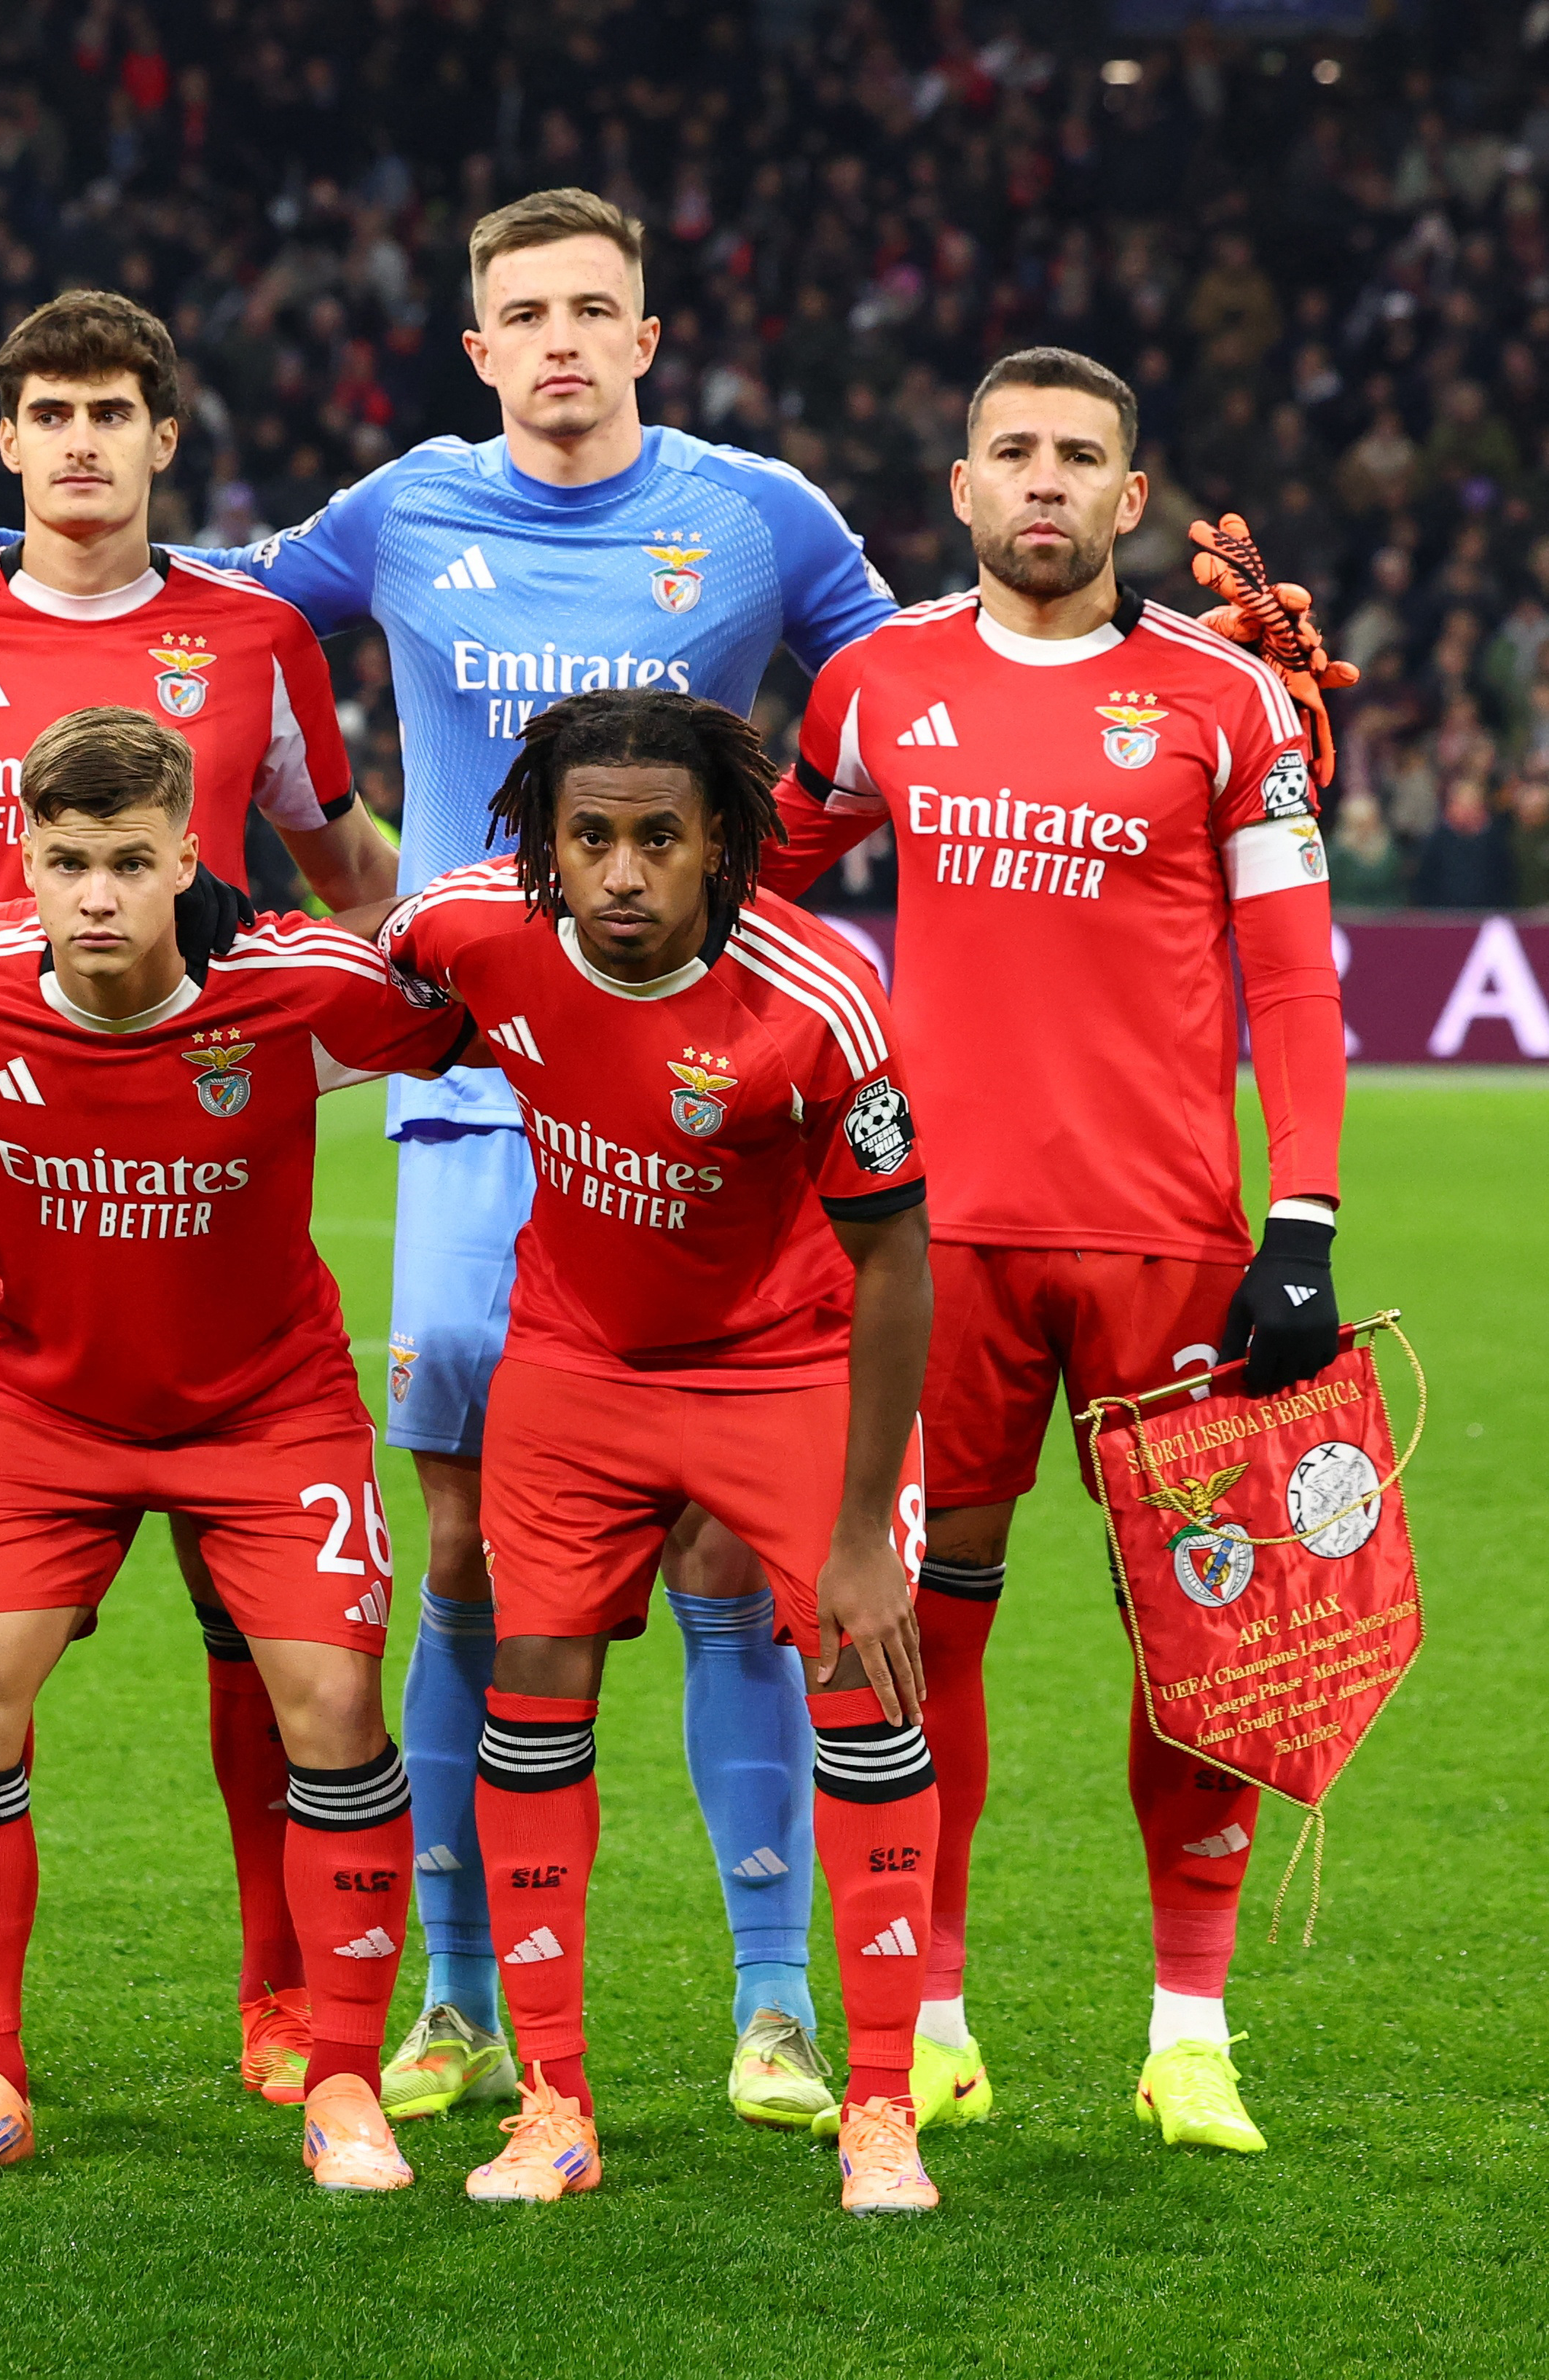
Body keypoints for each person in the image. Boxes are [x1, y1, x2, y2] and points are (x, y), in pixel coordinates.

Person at [0, 189, 898, 2128]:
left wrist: (782, 867)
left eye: (598, 307)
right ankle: (443, 1997)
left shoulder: (761, 513)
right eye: (528, 313)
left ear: (648, 334)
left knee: (717, 1543)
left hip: (691, 1074)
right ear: (479, 343)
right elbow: (202, 593)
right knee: (455, 1541)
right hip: (469, 1076)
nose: (564, 340)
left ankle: (771, 2002)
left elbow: (888, 698)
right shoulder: (398, 512)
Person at [0, 288, 406, 2112]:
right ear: (4, 439)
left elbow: (341, 863)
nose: (77, 443)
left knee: (251, 1612)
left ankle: (284, 1990)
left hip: (204, 1146)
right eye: (47, 412)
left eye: (111, 412)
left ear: (162, 440)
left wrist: (355, 1005)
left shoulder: (258, 636)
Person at [765, 349, 1345, 2153]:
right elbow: (760, 884)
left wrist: (1302, 1217)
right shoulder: (876, 683)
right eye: (1010, 451)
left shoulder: (1224, 699)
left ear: (1131, 496)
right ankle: (930, 2011)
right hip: (935, 1247)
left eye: (1077, 456)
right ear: (958, 486)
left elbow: (1293, 977)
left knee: (1213, 1639)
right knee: (923, 1630)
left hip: (1169, 1244)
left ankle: (1191, 2026)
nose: (1042, 480)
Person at [0, 706, 471, 2188]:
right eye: (63, 862)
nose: (95, 894)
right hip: (47, 1413)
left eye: (125, 860)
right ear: (22, 869)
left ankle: (343, 2081)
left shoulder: (293, 984)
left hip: (266, 1408)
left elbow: (466, 1000)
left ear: (187, 857)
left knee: (328, 1701)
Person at [378, 686, 940, 2215]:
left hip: (784, 1366)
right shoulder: (468, 933)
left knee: (862, 1680)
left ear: (720, 848)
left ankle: (877, 2106)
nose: (621, 874)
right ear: (543, 850)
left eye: (656, 841)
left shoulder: (815, 1001)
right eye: (590, 840)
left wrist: (854, 1538)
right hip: (571, 1365)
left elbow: (895, 1264)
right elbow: (363, 986)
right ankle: (550, 2105)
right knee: (533, 1685)